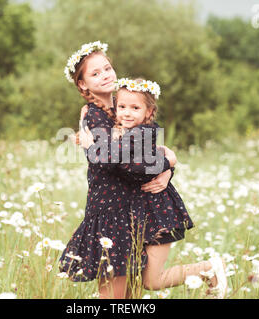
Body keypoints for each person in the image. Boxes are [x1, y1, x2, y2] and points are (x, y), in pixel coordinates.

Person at [80, 77, 227, 299]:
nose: (127, 113)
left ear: (149, 112)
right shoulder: (128, 132)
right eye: (122, 107)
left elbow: (128, 166)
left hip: (158, 212)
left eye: (135, 108)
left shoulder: (141, 134)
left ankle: (210, 268)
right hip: (142, 212)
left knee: (152, 280)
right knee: (137, 281)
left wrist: (90, 146)